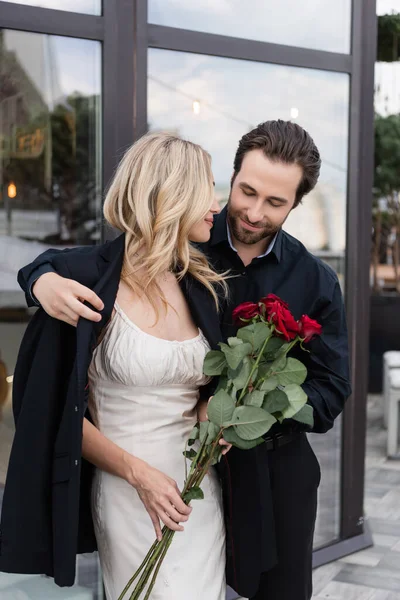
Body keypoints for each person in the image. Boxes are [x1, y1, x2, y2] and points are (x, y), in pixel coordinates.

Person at [12, 120, 351, 600]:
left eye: (274, 202)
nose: (252, 212)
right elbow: (94, 263)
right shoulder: (192, 249)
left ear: (295, 203)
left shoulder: (314, 281)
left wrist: (241, 412)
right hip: (159, 477)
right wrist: (38, 279)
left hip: (271, 470)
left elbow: (331, 389)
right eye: (244, 191)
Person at [0, 132, 233, 600]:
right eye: (206, 185)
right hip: (127, 488)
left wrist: (215, 411)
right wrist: (40, 281)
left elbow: (213, 385)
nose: (217, 200)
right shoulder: (89, 280)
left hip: (197, 492)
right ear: (171, 194)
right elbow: (56, 413)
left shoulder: (204, 285)